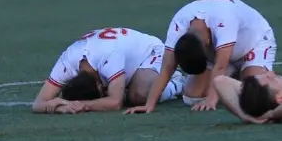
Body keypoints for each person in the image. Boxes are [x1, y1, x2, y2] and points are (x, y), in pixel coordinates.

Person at [126, 0, 282, 114]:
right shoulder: (179, 24)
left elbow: (220, 65)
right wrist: (149, 104)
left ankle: (264, 78)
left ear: (208, 44)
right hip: (219, 54)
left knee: (256, 90)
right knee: (192, 97)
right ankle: (231, 74)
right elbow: (167, 67)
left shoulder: (223, 18)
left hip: (253, 44)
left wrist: (212, 99)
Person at [32, 27, 186, 114]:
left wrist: (82, 105)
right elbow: (38, 103)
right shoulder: (66, 63)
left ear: (100, 85)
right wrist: (61, 106)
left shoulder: (108, 56)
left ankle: (178, 83)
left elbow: (115, 103)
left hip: (150, 52)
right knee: (126, 95)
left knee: (138, 96)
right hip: (123, 61)